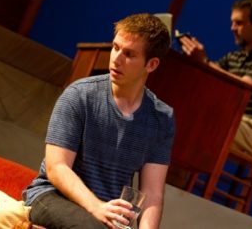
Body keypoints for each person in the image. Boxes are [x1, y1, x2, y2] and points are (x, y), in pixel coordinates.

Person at [23, 13, 175, 229]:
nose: (117, 58)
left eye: (129, 54)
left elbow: (152, 194)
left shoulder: (162, 117)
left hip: (107, 212)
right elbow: (57, 167)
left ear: (151, 64)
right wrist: (96, 207)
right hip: (52, 196)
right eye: (116, 47)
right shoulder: (80, 94)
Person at [179, 0, 252, 156]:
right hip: (232, 121)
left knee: (197, 120)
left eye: (239, 23)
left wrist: (204, 61)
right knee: (184, 111)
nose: (232, 28)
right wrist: (193, 59)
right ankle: (170, 178)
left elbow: (245, 87)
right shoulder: (234, 57)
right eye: (232, 22)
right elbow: (211, 75)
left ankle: (173, 179)